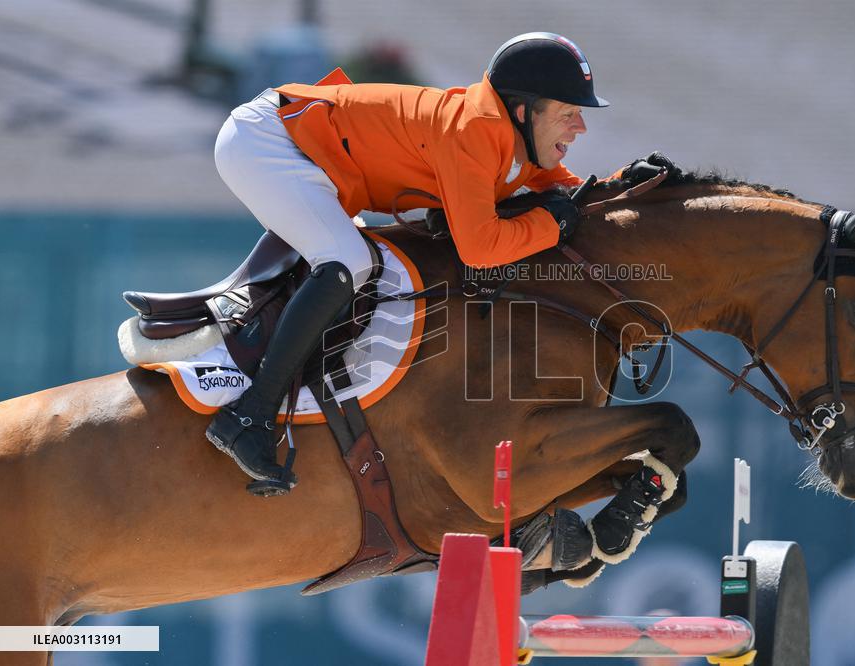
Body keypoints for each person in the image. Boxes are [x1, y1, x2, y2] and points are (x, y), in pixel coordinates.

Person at [205, 32, 613, 494]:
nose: (579, 127)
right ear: (524, 110)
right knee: (347, 261)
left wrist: (632, 185)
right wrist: (551, 225)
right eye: (568, 113)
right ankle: (249, 414)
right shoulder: (475, 131)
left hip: (301, 148)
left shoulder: (513, 141)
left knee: (355, 260)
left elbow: (572, 194)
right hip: (268, 141)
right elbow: (481, 248)